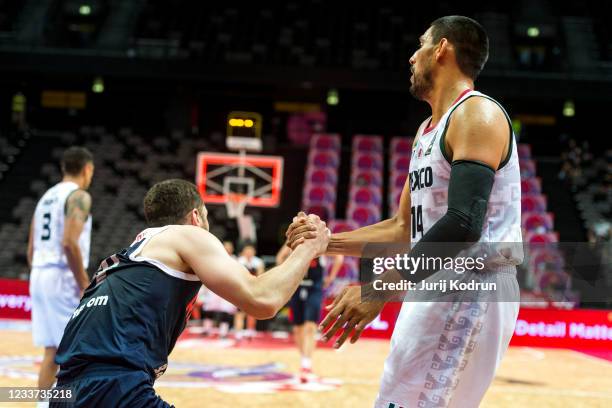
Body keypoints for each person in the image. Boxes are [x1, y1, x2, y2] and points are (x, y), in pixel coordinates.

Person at [287, 16, 522, 408]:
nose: (412, 57)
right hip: (434, 280)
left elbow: (464, 224)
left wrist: (379, 287)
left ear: (442, 49)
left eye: (420, 45)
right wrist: (325, 243)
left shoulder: (478, 114)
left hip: (471, 285)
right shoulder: (427, 130)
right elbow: (401, 228)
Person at [51, 179, 329, 407]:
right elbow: (263, 300)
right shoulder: (187, 235)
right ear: (196, 216)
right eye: (207, 216)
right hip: (114, 388)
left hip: (64, 392)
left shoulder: (121, 259)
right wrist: (308, 248)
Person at [27, 147, 94, 398]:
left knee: (52, 351)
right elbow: (69, 242)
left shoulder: (45, 196)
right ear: (87, 169)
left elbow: (31, 249)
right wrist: (84, 282)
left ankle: (43, 405)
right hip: (62, 276)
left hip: (40, 274)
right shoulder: (79, 196)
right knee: (78, 350)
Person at [276, 244, 344, 382]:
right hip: (297, 287)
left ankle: (306, 363)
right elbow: (280, 257)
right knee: (297, 328)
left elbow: (339, 257)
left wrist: (330, 278)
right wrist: (287, 274)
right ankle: (303, 360)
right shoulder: (296, 239)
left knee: (310, 326)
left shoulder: (320, 241)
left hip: (314, 288)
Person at [234, 242, 265, 339]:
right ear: (243, 252)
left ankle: (250, 330)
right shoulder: (239, 261)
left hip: (253, 289)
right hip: (241, 289)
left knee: (252, 311)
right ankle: (238, 332)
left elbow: (260, 275)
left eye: (250, 251)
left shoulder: (258, 262)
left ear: (254, 252)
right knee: (239, 312)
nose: (249, 253)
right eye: (247, 251)